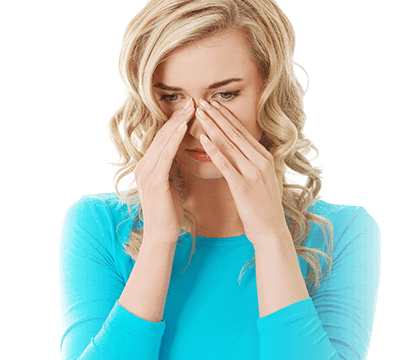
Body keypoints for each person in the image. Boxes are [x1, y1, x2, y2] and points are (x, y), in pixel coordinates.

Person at [59, 1, 381, 359]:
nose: (197, 127)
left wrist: (271, 236)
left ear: (270, 92)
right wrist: (158, 243)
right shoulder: (96, 225)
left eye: (225, 95)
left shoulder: (343, 233)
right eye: (172, 97)